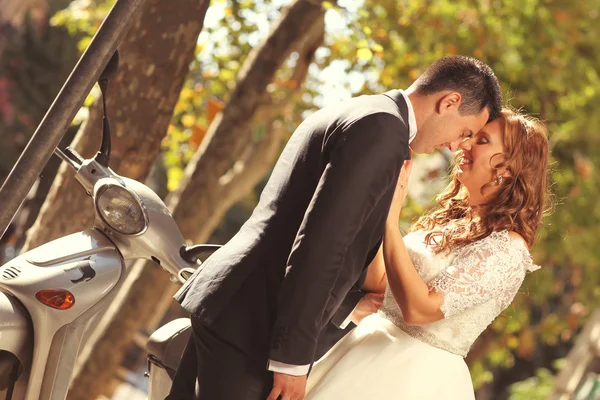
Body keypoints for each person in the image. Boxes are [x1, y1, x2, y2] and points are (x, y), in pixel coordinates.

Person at [167, 55, 502, 400]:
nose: (455, 146)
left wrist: (346, 305)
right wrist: (290, 360)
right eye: (464, 132)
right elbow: (321, 245)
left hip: (238, 305)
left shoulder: (366, 111)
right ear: (449, 102)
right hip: (254, 325)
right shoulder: (383, 133)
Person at [304, 108, 550, 399]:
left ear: (509, 169)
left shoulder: (507, 249)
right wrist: (381, 208)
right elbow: (381, 285)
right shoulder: (452, 223)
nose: (465, 146)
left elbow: (419, 310)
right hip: (365, 347)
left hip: (414, 376)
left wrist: (391, 222)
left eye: (482, 141)